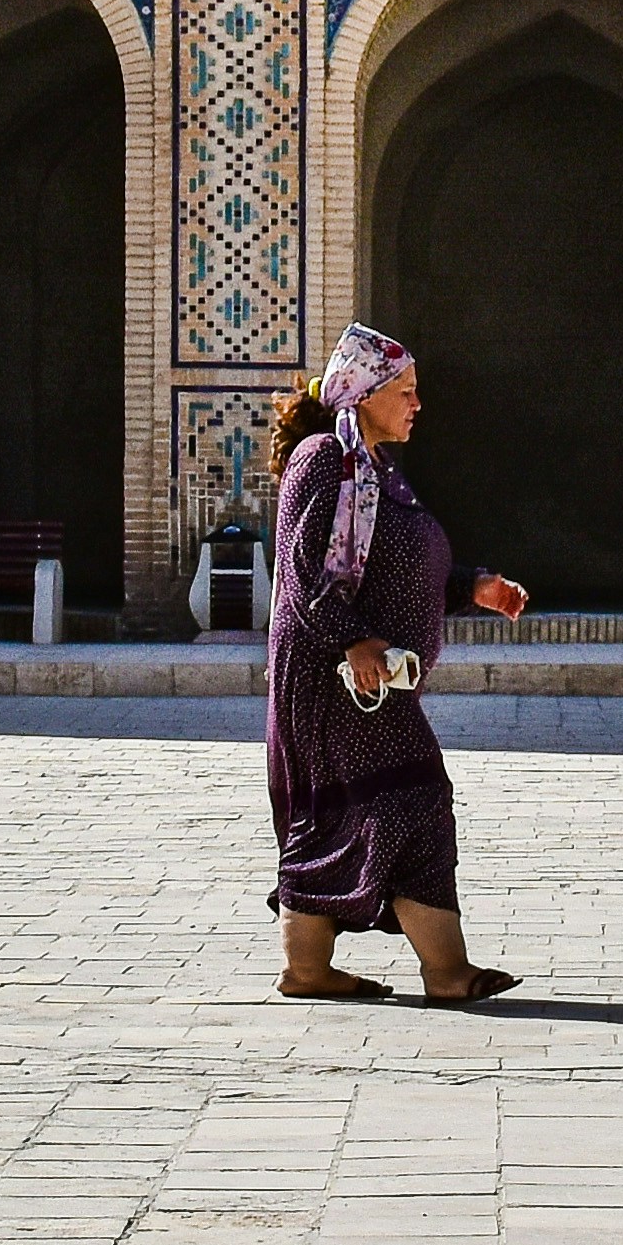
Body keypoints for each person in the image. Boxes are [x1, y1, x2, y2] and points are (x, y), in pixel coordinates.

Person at [265, 322, 531, 1002]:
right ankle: (441, 971)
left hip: (371, 679)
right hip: (338, 677)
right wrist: (353, 639)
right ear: (364, 392)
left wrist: (471, 584)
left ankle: (314, 970)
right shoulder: (324, 458)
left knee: (353, 811)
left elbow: (397, 566)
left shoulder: (375, 467)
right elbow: (302, 568)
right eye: (405, 392)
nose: (417, 405)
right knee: (404, 801)